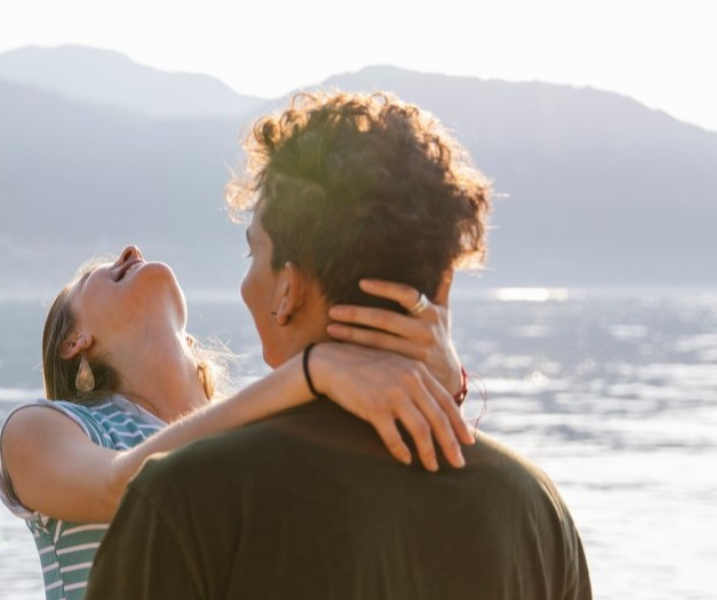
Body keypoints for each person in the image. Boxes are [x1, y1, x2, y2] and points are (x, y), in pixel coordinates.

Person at [84, 91, 591, 600]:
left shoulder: (187, 498)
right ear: (442, 287)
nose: (246, 282)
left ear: (289, 290)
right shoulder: (534, 509)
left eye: (252, 251)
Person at [0, 251, 474, 599]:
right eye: (87, 279)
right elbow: (121, 486)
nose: (130, 253)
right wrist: (311, 372)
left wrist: (445, 382)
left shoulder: (259, 428)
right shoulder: (41, 428)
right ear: (74, 340)